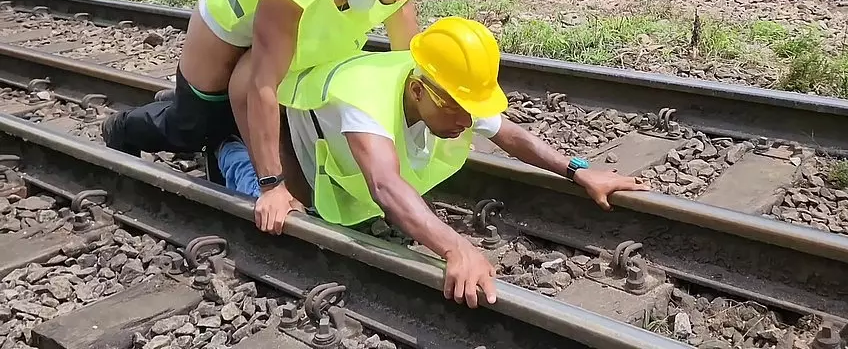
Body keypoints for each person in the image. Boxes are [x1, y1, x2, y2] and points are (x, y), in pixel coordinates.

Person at [215, 16, 650, 308]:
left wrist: (578, 169)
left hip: (330, 158)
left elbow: (510, 133)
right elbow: (385, 187)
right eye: (457, 109)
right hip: (287, 152)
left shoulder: (444, 83)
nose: (467, 119)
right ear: (420, 92)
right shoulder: (362, 103)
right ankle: (225, 149)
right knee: (268, 199)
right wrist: (456, 247)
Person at [101, 0, 455, 233]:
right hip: (230, 24)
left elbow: (407, 68)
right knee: (192, 126)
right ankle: (123, 127)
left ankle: (227, 132)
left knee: (283, 104)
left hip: (301, 25)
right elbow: (264, 82)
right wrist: (272, 187)